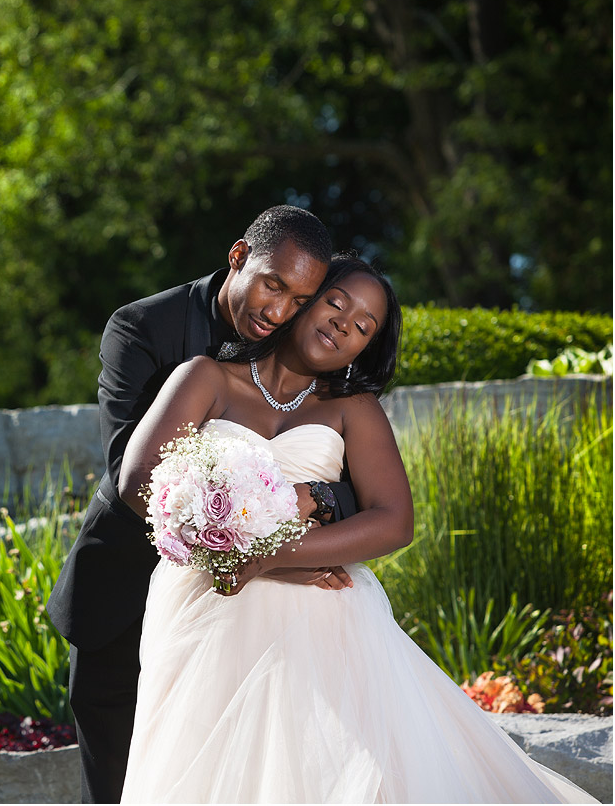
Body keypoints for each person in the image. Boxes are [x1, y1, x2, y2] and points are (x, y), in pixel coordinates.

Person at [114, 257, 598, 803]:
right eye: (336, 304)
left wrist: (275, 558)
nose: (345, 325)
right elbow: (140, 480)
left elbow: (394, 520)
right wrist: (226, 554)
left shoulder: (353, 408)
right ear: (305, 300)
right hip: (202, 604)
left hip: (325, 614)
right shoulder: (204, 376)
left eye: (364, 326)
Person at [47, 205, 362, 804]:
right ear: (238, 256)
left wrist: (315, 499)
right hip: (126, 588)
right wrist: (279, 558)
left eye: (300, 299)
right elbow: (135, 478)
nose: (280, 311)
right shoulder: (142, 328)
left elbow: (340, 470)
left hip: (246, 614)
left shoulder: (303, 341)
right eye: (273, 285)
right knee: (118, 785)